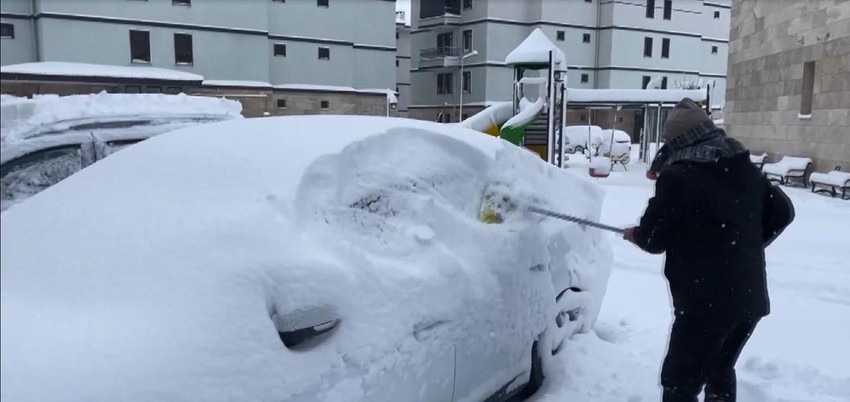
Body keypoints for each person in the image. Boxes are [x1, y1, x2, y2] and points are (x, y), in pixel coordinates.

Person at [623, 98, 795, 402]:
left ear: (676, 139)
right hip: (748, 300)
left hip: (705, 304)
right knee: (719, 370)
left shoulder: (679, 176)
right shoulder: (740, 164)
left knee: (680, 383)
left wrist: (638, 235)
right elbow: (782, 211)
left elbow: (653, 239)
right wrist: (745, 243)